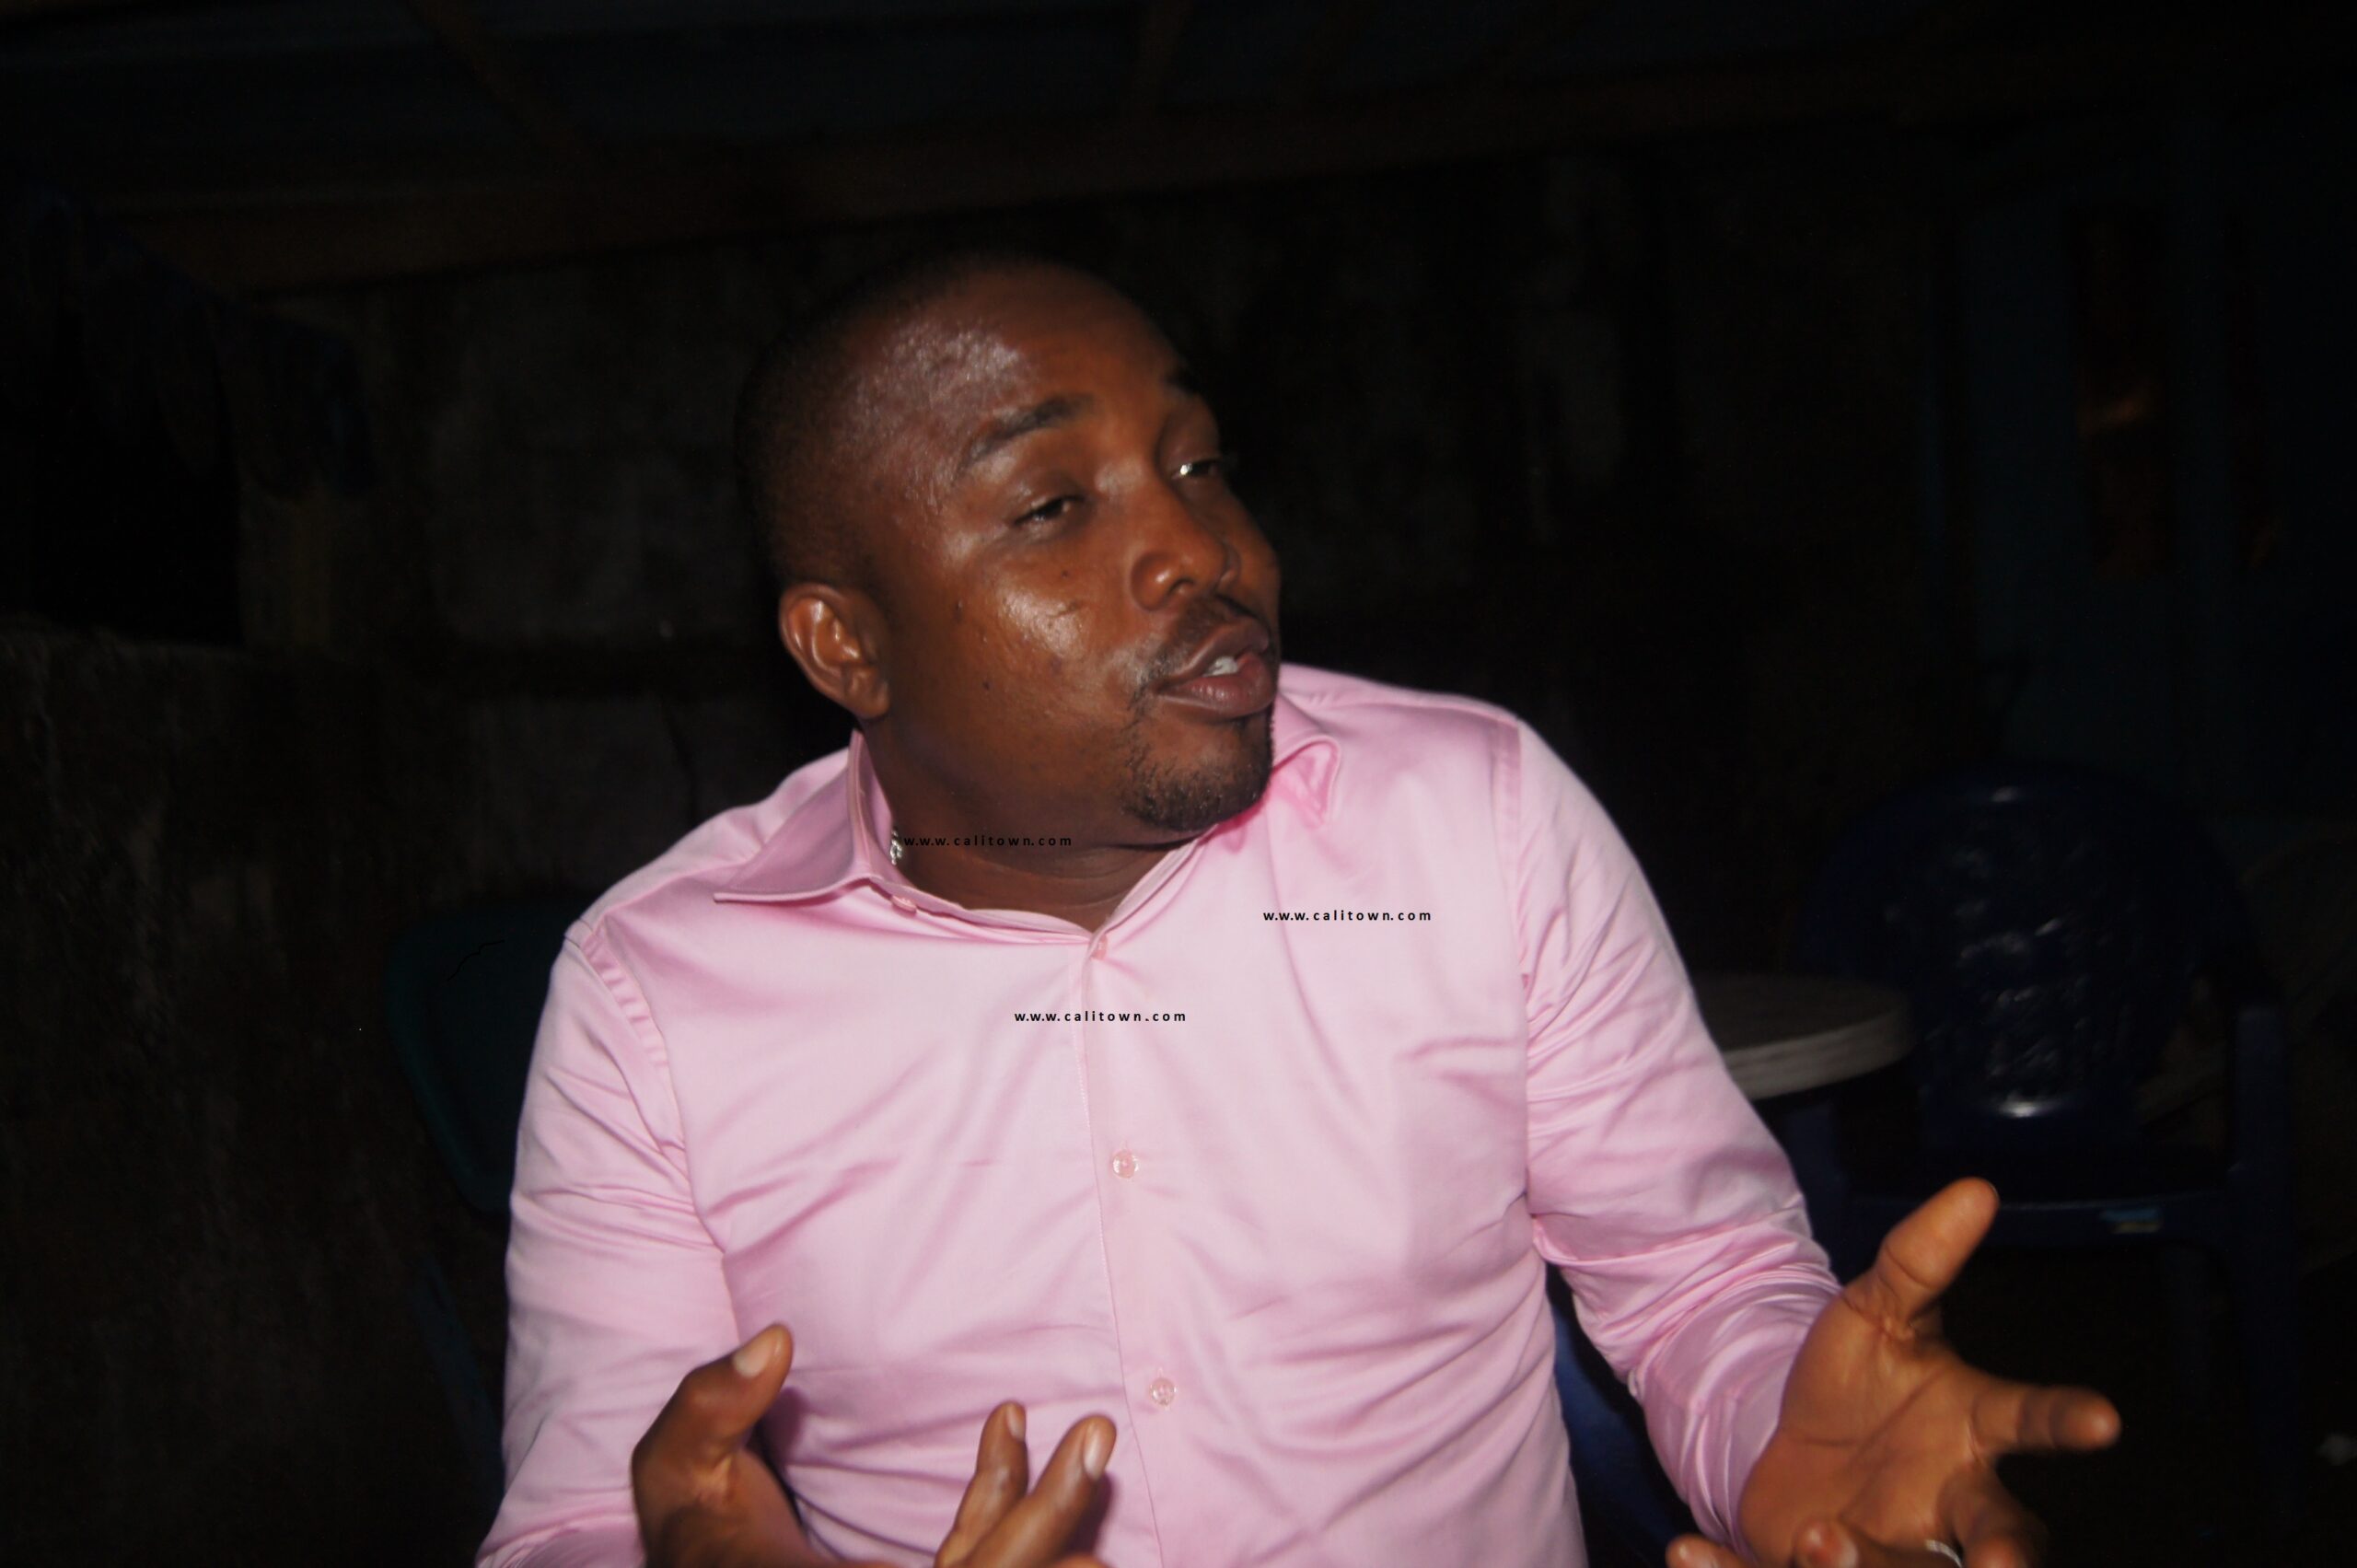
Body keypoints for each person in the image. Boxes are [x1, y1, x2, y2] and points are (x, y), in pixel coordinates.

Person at [477, 252, 2120, 1568]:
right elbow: (578, 1518)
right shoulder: (656, 994)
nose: (1202, 547)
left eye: (1197, 463)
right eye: (1056, 505)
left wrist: (1783, 1439)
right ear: (848, 647)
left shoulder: (1471, 817)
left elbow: (1693, 1274)